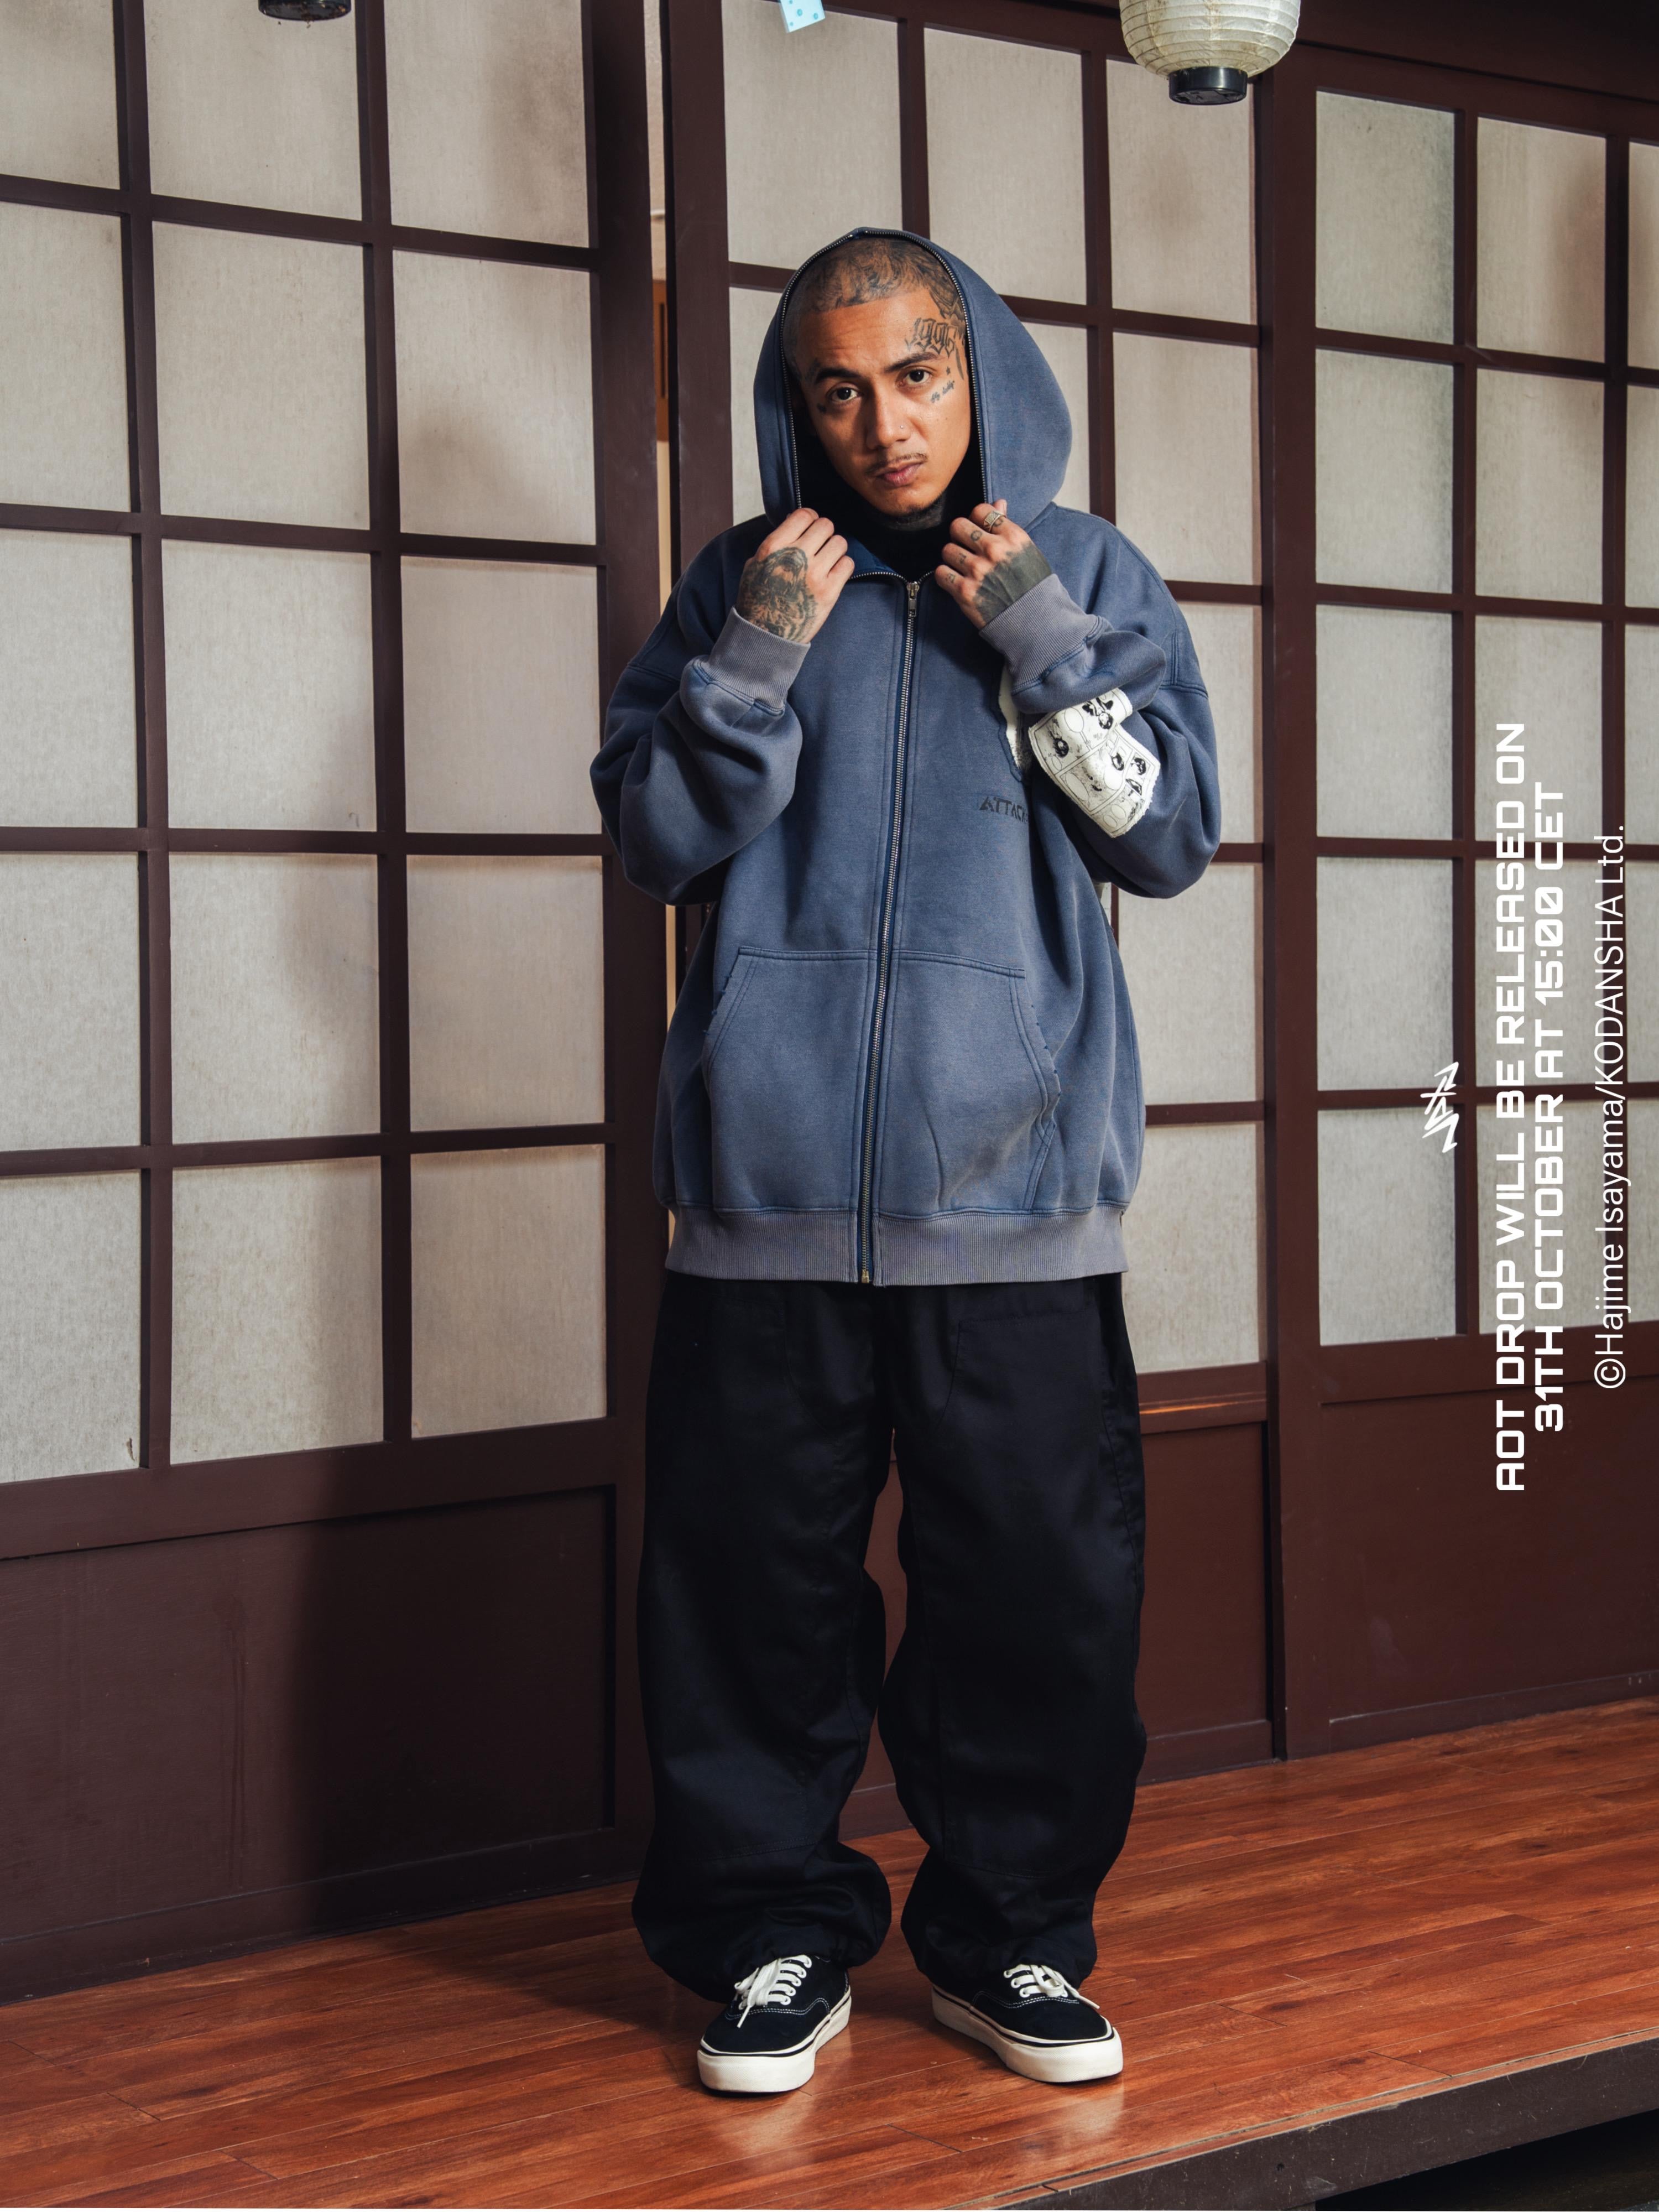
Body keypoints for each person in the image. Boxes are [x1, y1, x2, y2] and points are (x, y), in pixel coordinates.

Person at [592, 229, 1219, 2096]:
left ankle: (1010, 1939)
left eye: (918, 375)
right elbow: (656, 839)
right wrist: (758, 651)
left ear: (981, 369)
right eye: (839, 389)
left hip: (1017, 1206)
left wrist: (1040, 635)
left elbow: (1169, 837)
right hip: (762, 1207)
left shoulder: (1086, 575)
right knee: (746, 1609)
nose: (884, 423)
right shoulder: (743, 580)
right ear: (799, 406)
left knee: (1039, 1602)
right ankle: (770, 1940)